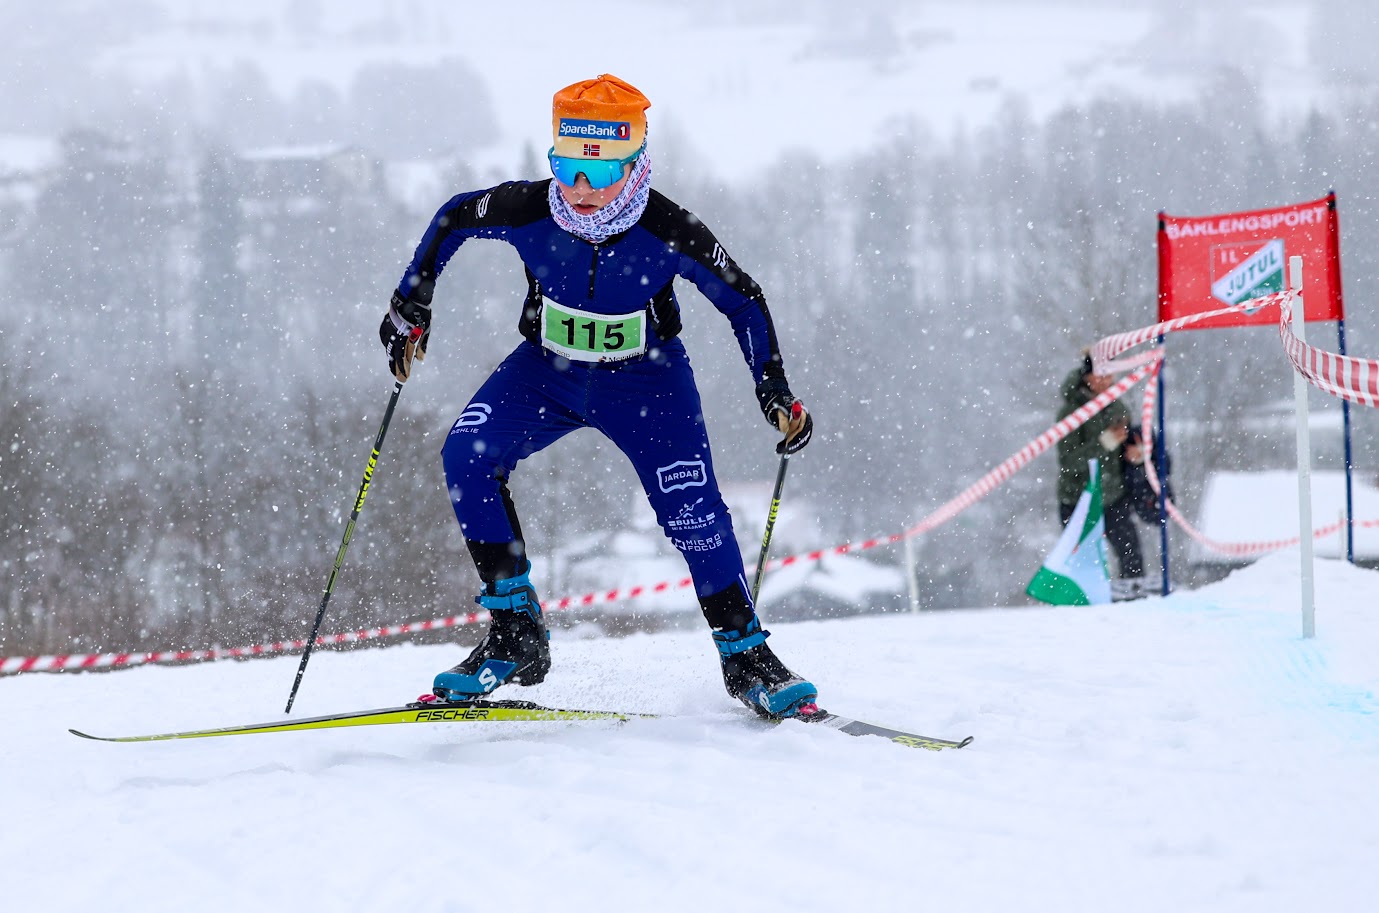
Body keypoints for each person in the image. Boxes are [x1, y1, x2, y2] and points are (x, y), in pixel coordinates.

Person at [379, 74, 817, 718]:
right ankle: (515, 633)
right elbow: (454, 217)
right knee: (466, 454)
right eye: (567, 168)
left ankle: (746, 656)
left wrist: (772, 386)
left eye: (602, 171)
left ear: (634, 165)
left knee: (693, 512)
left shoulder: (669, 229)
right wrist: (411, 303)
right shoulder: (530, 208)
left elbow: (743, 300)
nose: (581, 189)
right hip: (545, 373)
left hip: (647, 382)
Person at [1055, 353, 1146, 600]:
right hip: (1078, 499)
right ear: (1087, 377)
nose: (1105, 380)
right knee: (1082, 563)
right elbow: (1068, 462)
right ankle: (1082, 609)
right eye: (1099, 374)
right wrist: (1103, 443)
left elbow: (1124, 448)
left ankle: (1134, 604)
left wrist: (1135, 455)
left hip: (1114, 496)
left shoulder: (1118, 407)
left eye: (1109, 374)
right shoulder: (1070, 412)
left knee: (1131, 555)